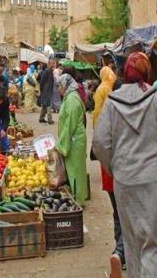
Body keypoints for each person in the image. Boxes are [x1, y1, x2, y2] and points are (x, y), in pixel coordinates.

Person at [93, 52, 157, 278]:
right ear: (146, 72)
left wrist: (115, 168)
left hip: (126, 183)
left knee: (134, 239)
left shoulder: (112, 102)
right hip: (156, 182)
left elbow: (100, 142)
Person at [91, 67, 125, 270]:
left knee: (117, 213)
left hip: (111, 174)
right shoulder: (128, 115)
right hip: (124, 175)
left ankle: (119, 250)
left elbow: (100, 144)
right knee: (126, 214)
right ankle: (122, 252)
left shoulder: (106, 111)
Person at [55, 73, 88, 206]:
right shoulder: (70, 97)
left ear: (65, 85)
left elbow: (69, 124)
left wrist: (60, 144)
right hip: (74, 139)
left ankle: (78, 200)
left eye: (59, 86)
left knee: (75, 170)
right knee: (74, 169)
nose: (58, 89)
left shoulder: (72, 100)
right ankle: (77, 197)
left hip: (74, 140)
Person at [38, 60, 55, 124]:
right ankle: (49, 119)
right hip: (46, 91)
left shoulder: (51, 71)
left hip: (49, 90)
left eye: (53, 64)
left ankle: (41, 118)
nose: (53, 65)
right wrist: (42, 90)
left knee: (45, 105)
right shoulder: (46, 71)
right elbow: (42, 81)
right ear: (49, 64)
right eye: (52, 63)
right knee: (48, 105)